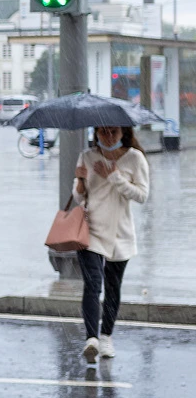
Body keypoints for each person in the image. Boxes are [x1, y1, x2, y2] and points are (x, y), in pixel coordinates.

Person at [74, 125, 150, 362]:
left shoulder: (135, 158)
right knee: (93, 283)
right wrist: (78, 187)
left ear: (122, 133)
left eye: (113, 132)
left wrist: (114, 177)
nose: (108, 137)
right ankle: (91, 339)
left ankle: (106, 336)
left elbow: (142, 195)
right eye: (103, 132)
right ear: (95, 133)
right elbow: (79, 195)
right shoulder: (87, 156)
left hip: (120, 231)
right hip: (92, 229)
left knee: (113, 287)